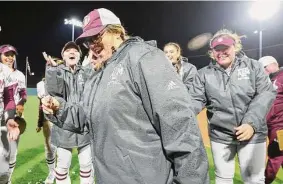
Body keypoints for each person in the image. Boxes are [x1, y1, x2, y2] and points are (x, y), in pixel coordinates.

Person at [42, 8, 209, 184]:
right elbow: (85, 116)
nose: (92, 45)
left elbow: (181, 128)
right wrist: (59, 107)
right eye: (88, 42)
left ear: (117, 31)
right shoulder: (97, 73)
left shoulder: (144, 57)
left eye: (96, 37)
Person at [189, 29, 276, 184]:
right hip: (221, 136)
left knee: (254, 180)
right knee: (223, 179)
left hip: (253, 134)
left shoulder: (254, 67)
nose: (221, 53)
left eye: (226, 48)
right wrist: (181, 113)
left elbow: (265, 95)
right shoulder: (203, 74)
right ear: (212, 52)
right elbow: (195, 100)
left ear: (235, 47)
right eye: (217, 49)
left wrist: (250, 123)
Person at [43, 41, 94, 184]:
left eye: (75, 51)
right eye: (68, 51)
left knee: (86, 165)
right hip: (64, 125)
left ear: (80, 55)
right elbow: (54, 93)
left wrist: (91, 63)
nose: (72, 52)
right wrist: (52, 70)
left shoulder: (86, 71)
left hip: (85, 127)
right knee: (62, 167)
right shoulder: (57, 72)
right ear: (63, 56)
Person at [0, 44, 27, 183]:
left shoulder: (19, 75)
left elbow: (22, 94)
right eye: (6, 55)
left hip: (11, 117)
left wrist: (21, 104)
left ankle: (7, 180)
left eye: (12, 55)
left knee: (11, 153)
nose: (10, 58)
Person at [258, 56, 283, 184]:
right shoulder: (271, 79)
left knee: (276, 154)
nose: (263, 71)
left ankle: (265, 181)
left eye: (264, 68)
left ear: (272, 65)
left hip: (281, 126)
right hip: (272, 125)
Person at [36, 78, 57, 184]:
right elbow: (40, 105)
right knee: (49, 147)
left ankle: (61, 171)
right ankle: (52, 172)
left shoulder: (63, 79)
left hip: (62, 118)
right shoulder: (40, 84)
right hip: (47, 119)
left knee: (62, 148)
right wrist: (39, 122)